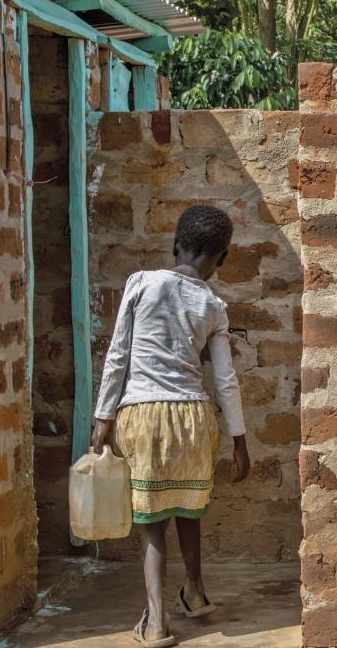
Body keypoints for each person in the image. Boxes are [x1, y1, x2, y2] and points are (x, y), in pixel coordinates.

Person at [91, 204, 251, 647]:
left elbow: (118, 355)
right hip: (195, 420)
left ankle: (156, 623)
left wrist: (103, 416)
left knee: (153, 520)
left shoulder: (142, 283)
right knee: (187, 505)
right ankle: (194, 592)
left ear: (176, 244)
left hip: (143, 417)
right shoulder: (213, 305)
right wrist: (239, 440)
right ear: (221, 258)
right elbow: (225, 379)